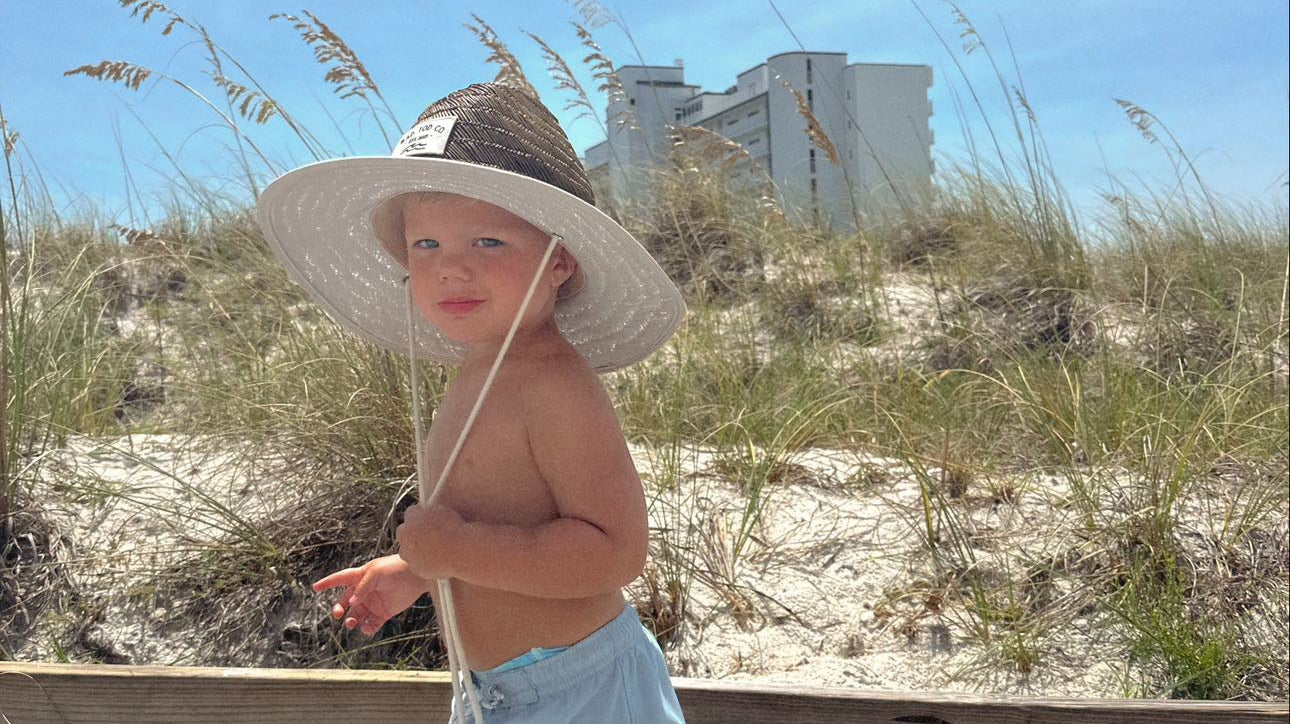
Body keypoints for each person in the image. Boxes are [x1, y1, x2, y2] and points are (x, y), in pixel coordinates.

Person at [255, 82, 687, 723]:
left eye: (487, 242)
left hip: (580, 688)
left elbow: (613, 553)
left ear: (560, 261)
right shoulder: (481, 371)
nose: (451, 268)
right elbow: (499, 516)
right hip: (494, 691)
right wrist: (419, 569)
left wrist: (456, 551)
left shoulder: (553, 384)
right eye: (426, 246)